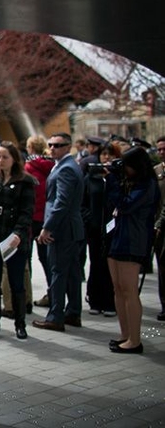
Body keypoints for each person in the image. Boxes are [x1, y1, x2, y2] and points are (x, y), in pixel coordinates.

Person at [0, 141, 37, 340]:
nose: (0, 161)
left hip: (14, 238)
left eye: (5, 157)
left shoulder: (25, 181)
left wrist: (18, 234)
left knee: (16, 281)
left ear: (14, 159)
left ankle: (20, 324)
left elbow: (27, 212)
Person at [106, 146, 160, 354]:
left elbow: (126, 205)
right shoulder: (130, 182)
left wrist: (112, 182)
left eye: (126, 165)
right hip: (119, 236)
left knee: (129, 290)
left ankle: (135, 340)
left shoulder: (147, 185)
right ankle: (125, 334)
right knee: (118, 288)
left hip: (134, 239)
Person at [33, 133, 85, 332]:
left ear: (68, 146)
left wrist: (47, 228)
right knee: (71, 272)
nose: (52, 148)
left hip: (62, 229)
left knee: (58, 272)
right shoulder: (66, 166)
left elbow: (61, 203)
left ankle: (56, 316)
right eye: (50, 144)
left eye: (58, 145)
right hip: (69, 228)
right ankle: (73, 312)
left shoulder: (66, 169)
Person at [83, 141, 121, 316]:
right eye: (103, 154)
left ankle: (109, 302)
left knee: (109, 266)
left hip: (113, 229)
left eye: (110, 154)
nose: (106, 158)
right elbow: (83, 202)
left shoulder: (118, 177)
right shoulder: (91, 178)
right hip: (94, 228)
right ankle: (95, 300)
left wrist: (111, 178)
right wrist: (89, 218)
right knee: (95, 263)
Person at [24, 136, 54, 310]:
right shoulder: (52, 166)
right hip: (47, 217)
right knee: (47, 259)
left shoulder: (28, 166)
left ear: (30, 148)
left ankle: (26, 297)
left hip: (31, 217)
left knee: (25, 259)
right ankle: (53, 294)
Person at [154, 136, 165, 322]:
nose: (162, 152)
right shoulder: (156, 171)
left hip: (161, 224)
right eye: (160, 149)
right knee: (162, 267)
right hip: (158, 228)